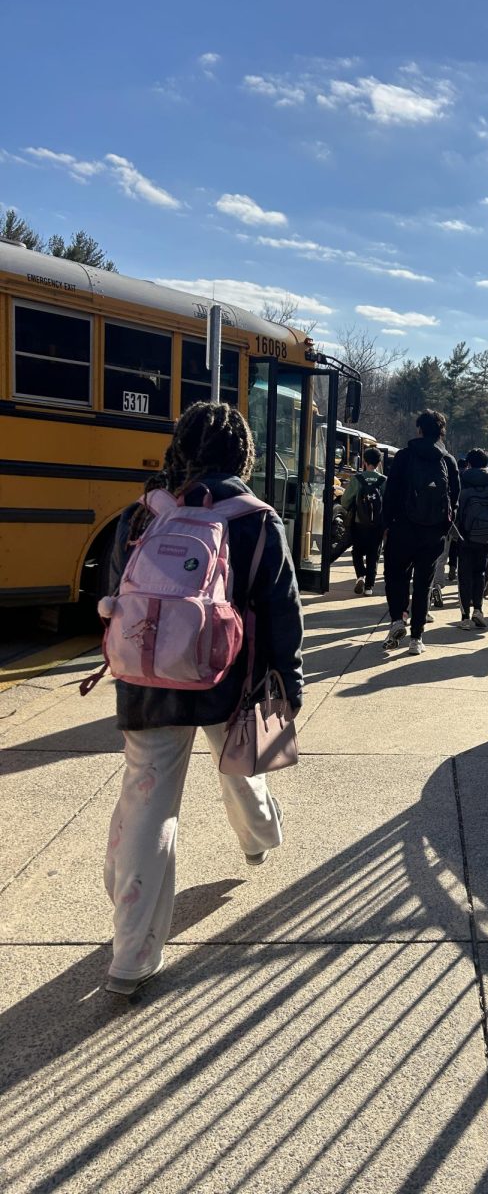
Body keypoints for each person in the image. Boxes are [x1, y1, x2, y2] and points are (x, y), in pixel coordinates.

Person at [101, 402, 303, 996]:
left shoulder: (144, 513)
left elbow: (116, 592)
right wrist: (286, 683)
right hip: (227, 679)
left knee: (148, 802)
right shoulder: (257, 519)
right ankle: (260, 839)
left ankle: (131, 958)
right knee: (241, 765)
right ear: (243, 453)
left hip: (147, 677)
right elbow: (280, 612)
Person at [381, 409, 460, 655]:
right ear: (441, 433)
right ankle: (417, 639)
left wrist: (386, 525)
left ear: (419, 430)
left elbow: (390, 493)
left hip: (402, 528)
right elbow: (454, 498)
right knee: (424, 583)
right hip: (433, 533)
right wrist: (444, 526)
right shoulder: (448, 461)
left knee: (396, 576)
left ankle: (396, 620)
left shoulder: (404, 457)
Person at [455, 448, 488, 631]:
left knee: (464, 575)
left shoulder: (461, 481)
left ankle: (464, 617)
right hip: (485, 537)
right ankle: (478, 609)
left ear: (468, 463)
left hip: (464, 536)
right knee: (480, 573)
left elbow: (453, 509)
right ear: (487, 464)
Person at [341, 446, 387, 595]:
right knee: (374, 555)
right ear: (379, 463)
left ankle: (360, 575)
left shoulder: (357, 479)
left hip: (359, 523)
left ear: (364, 462)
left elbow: (345, 501)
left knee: (357, 552)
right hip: (378, 525)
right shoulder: (383, 480)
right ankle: (369, 587)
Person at [447, 455, 469, 583]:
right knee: (461, 546)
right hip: (466, 518)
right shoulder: (468, 478)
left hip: (453, 516)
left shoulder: (453, 475)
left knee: (451, 546)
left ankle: (452, 567)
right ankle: (458, 569)